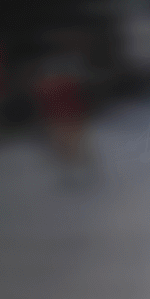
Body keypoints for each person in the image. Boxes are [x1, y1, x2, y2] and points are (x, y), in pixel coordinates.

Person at [33, 31, 94, 184]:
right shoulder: (52, 80)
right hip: (62, 118)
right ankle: (75, 173)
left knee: (71, 147)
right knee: (68, 148)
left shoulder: (59, 79)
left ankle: (78, 173)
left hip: (67, 117)